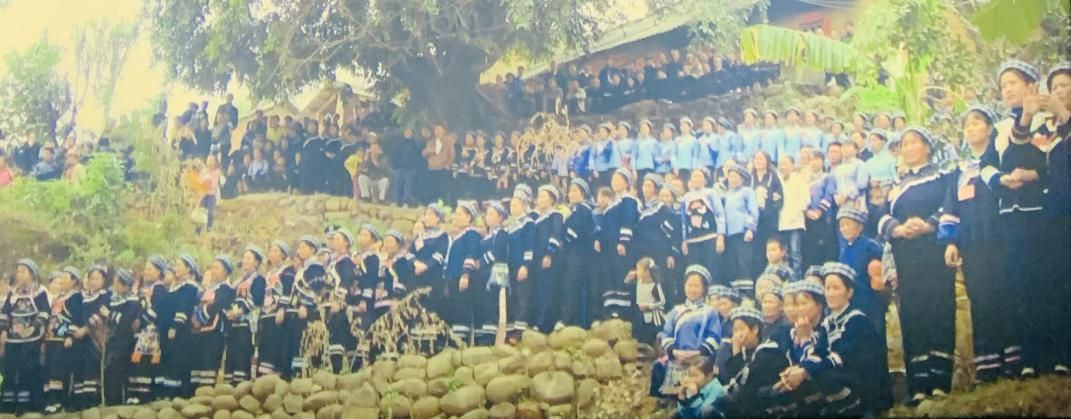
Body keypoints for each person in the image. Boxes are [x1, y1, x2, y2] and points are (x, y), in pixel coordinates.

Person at [991, 60, 1068, 376]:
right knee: (1026, 284)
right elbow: (1007, 158)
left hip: (1052, 212)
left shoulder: (1053, 122)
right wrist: (1026, 116)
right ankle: (1034, 357)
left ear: (1031, 85)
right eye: (1003, 85)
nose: (1008, 89)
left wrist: (1036, 175)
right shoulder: (1010, 126)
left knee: (1057, 282)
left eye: (1013, 82)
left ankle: (1061, 352)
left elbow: (1056, 165)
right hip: (1024, 216)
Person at [878, 126, 956, 405]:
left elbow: (950, 206)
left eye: (914, 142)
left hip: (934, 252)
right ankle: (918, 383)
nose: (909, 148)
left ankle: (940, 381)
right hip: (906, 255)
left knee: (939, 308)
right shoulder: (896, 185)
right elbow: (880, 217)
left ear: (927, 147)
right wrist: (898, 228)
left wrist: (928, 224)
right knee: (913, 312)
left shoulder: (943, 177)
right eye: (904, 144)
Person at [942, 105, 1018, 382]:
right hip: (972, 244)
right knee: (980, 298)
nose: (971, 128)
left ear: (989, 128)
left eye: (977, 122)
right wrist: (951, 241)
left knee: (1004, 294)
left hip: (1000, 237)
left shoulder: (999, 159)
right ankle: (987, 365)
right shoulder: (959, 171)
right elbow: (951, 207)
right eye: (967, 125)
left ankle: (1013, 360)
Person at [651, 265, 723, 398]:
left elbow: (714, 336)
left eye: (696, 286)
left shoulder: (710, 312)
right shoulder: (676, 311)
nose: (692, 289)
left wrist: (698, 353)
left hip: (699, 359)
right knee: (658, 367)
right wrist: (674, 351)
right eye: (689, 285)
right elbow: (666, 334)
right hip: (677, 357)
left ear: (704, 289)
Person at [716, 304, 789, 416]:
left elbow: (747, 381)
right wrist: (736, 351)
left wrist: (737, 353)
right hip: (746, 402)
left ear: (755, 329)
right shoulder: (742, 351)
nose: (737, 334)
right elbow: (728, 377)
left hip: (765, 404)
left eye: (741, 329)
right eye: (735, 330)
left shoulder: (769, 351)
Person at [1, 259, 50, 414]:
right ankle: (8, 403)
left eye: (23, 271)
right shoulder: (13, 293)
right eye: (18, 271)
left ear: (32, 274)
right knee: (9, 368)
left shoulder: (39, 292)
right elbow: (5, 314)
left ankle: (27, 404)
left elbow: (44, 313)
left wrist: (32, 327)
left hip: (31, 338)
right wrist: (3, 331)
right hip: (12, 338)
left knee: (27, 368)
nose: (19, 274)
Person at [597, 169, 640, 319]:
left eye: (618, 180)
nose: (614, 183)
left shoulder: (628, 200)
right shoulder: (613, 203)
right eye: (613, 180)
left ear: (627, 183)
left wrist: (623, 241)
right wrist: (599, 240)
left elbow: (628, 220)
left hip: (621, 245)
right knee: (611, 275)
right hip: (609, 246)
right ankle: (611, 309)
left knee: (622, 274)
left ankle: (623, 310)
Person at [190, 256, 236, 389]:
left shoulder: (226, 289)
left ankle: (206, 393)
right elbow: (198, 304)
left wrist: (200, 317)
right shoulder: (208, 289)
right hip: (200, 332)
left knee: (209, 364)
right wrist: (194, 317)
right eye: (212, 267)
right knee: (197, 365)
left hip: (214, 332)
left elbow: (217, 305)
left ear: (225, 271)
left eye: (216, 268)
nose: (213, 270)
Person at [441, 202, 482, 343]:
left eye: (459, 214)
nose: (455, 217)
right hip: (453, 277)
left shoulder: (471, 234)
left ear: (469, 217)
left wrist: (466, 274)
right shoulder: (457, 237)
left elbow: (472, 253)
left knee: (462, 308)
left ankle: (461, 341)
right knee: (453, 308)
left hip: (462, 277)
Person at [225, 246, 265, 385]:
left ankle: (242, 385)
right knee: (232, 353)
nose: (245, 261)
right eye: (244, 258)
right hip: (234, 324)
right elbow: (230, 299)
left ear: (256, 262)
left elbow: (257, 298)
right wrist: (230, 311)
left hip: (248, 324)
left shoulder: (259, 279)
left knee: (243, 353)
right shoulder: (237, 282)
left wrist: (241, 310)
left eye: (249, 258)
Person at [43, 267, 81, 414]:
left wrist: (71, 336)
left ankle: (58, 401)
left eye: (65, 278)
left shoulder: (75, 297)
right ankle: (49, 400)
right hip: (51, 338)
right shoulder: (58, 297)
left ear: (74, 281)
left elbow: (77, 318)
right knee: (49, 368)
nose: (62, 281)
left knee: (58, 369)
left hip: (63, 339)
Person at [560, 179, 596, 327]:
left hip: (579, 254)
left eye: (575, 190)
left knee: (572, 286)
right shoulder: (573, 211)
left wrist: (562, 242)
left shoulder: (583, 209)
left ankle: (570, 320)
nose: (571, 194)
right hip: (574, 254)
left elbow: (573, 232)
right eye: (570, 191)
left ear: (583, 193)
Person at [259, 241, 296, 378]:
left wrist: (282, 308)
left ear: (283, 255)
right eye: (271, 251)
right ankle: (265, 375)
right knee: (266, 343)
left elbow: (287, 290)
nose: (272, 254)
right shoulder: (269, 273)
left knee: (277, 343)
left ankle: (278, 374)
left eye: (275, 251)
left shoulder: (288, 270)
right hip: (267, 313)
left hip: (278, 313)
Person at [103, 268, 138, 405]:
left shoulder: (132, 300)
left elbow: (126, 320)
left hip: (125, 340)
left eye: (117, 282)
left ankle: (120, 399)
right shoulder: (111, 299)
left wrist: (110, 315)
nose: (114, 285)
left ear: (124, 285)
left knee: (120, 367)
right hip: (112, 339)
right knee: (110, 367)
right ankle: (110, 399)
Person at [532, 185, 564, 332]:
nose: (540, 199)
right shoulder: (538, 218)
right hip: (538, 257)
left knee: (548, 289)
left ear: (552, 199)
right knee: (539, 289)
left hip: (549, 257)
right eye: (539, 196)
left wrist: (549, 254)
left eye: (544, 196)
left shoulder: (556, 215)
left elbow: (556, 235)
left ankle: (544, 323)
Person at [721, 164, 758, 293]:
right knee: (733, 263)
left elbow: (753, 211)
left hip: (743, 232)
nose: (732, 179)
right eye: (730, 176)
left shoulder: (748, 192)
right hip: (730, 234)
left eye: (735, 177)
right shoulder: (727, 194)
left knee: (744, 262)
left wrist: (750, 229)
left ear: (742, 179)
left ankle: (747, 293)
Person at [628, 257, 666, 344]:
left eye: (639, 270)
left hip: (654, 316)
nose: (637, 272)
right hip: (641, 315)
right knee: (641, 335)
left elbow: (662, 301)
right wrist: (628, 279)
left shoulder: (656, 285)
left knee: (652, 336)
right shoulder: (639, 282)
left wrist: (649, 306)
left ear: (647, 272)